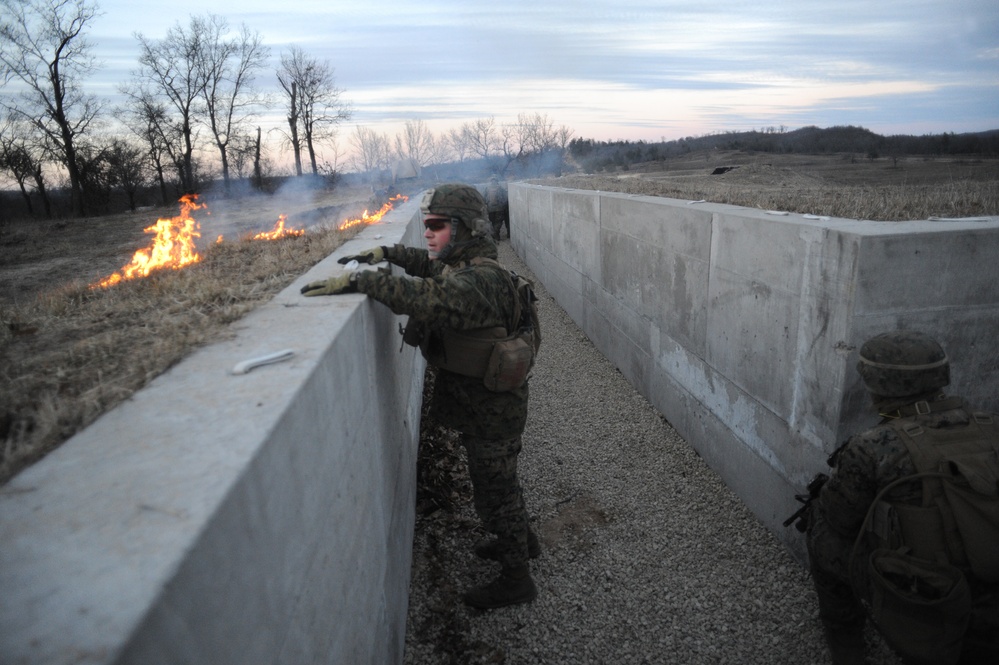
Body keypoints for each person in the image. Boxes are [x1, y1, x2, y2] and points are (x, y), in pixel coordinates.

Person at [300, 183, 540, 609]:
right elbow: (430, 269)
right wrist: (387, 254)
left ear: (462, 228)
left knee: (494, 493)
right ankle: (522, 542)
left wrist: (364, 281)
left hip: (492, 413)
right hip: (483, 405)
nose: (426, 234)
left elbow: (433, 297)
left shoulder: (480, 280)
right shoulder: (466, 261)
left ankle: (517, 579)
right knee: (501, 483)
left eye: (435, 226)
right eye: (425, 225)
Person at [805, 330, 999, 665]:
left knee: (820, 533)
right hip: (990, 576)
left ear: (879, 384)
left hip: (933, 591)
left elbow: (839, 519)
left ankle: (847, 646)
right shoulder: (990, 425)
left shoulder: (874, 445)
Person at [484, 174, 509, 241]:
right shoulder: (500, 188)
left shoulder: (487, 188)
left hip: (490, 209)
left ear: (491, 181)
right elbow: (505, 198)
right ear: (497, 181)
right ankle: (496, 234)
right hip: (499, 209)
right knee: (498, 222)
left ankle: (495, 235)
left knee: (493, 222)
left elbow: (484, 198)